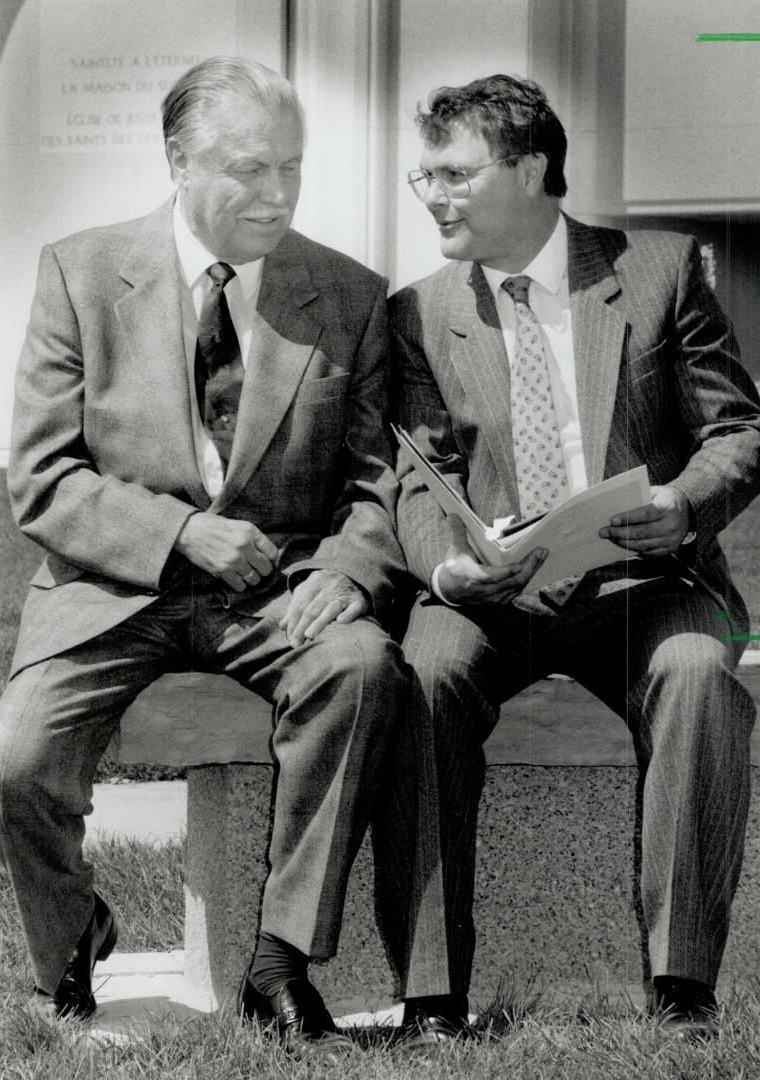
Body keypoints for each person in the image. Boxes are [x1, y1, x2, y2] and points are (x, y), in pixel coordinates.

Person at [0, 56, 407, 1060]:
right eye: (248, 169)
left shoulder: (347, 294)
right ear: (177, 160)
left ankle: (279, 962)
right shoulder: (80, 271)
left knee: (359, 668)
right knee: (17, 760)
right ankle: (66, 951)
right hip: (109, 590)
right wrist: (179, 533)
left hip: (276, 593)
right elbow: (42, 479)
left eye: (293, 168)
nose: (276, 194)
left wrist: (344, 572)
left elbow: (374, 484)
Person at [372, 73, 760, 1045]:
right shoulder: (416, 312)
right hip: (489, 588)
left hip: (643, 578)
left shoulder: (660, 269)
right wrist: (445, 571)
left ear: (532, 167)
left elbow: (738, 431)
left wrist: (682, 504)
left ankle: (681, 996)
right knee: (419, 674)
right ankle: (428, 1003)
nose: (431, 194)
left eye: (454, 173)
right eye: (423, 174)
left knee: (699, 674)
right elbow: (415, 477)